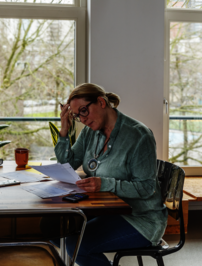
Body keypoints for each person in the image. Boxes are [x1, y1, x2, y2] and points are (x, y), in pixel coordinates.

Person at [54, 83, 167, 266]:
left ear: (101, 102)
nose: (82, 119)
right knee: (53, 229)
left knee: (76, 245)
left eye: (84, 111)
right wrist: (65, 131)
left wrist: (103, 184)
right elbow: (66, 165)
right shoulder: (90, 132)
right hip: (107, 210)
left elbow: (147, 189)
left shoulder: (139, 136)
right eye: (76, 116)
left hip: (141, 218)